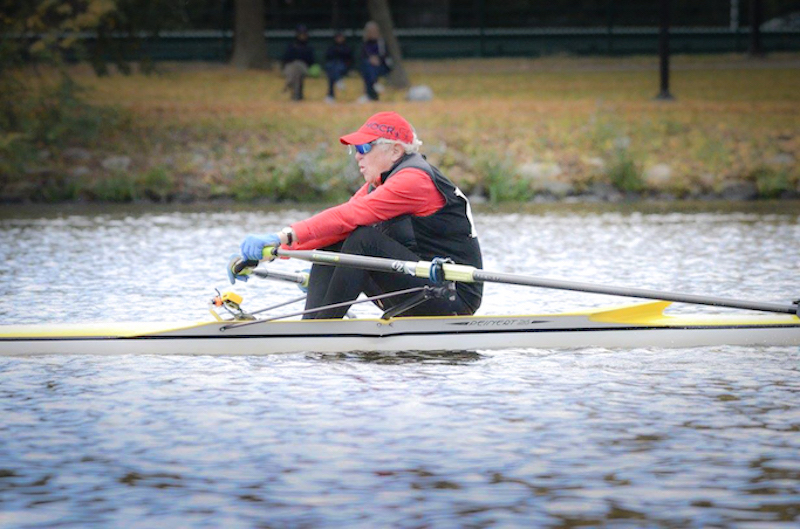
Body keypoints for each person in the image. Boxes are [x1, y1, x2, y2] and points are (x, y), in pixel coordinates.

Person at [235, 111, 483, 319]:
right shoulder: (381, 182)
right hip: (420, 284)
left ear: (395, 151)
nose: (358, 156)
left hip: (451, 296)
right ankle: (314, 326)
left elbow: (350, 215)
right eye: (355, 149)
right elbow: (336, 225)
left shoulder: (414, 180)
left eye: (365, 147)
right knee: (336, 237)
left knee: (362, 240)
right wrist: (270, 254)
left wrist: (282, 237)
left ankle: (320, 330)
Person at [281, 24, 315, 101]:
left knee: (297, 68)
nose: (302, 36)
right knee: (295, 70)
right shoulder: (291, 45)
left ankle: (289, 83)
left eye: (304, 34)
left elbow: (311, 61)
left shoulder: (308, 47)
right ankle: (297, 95)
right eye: (301, 34)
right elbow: (286, 58)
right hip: (291, 67)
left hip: (303, 67)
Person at [359, 21, 391, 102]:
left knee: (370, 69)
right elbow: (363, 56)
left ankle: (370, 93)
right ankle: (374, 85)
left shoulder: (381, 42)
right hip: (369, 66)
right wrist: (371, 59)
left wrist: (378, 59)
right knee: (368, 67)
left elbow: (385, 56)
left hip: (381, 66)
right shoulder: (365, 43)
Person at [323, 31, 353, 103]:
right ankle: (338, 80)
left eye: (341, 37)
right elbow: (328, 57)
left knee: (336, 67)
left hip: (343, 67)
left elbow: (349, 59)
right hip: (332, 67)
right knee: (332, 68)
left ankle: (330, 95)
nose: (339, 39)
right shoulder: (331, 47)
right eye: (338, 37)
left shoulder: (347, 47)